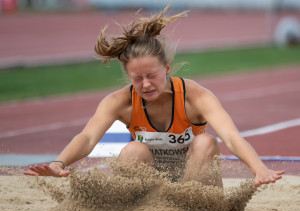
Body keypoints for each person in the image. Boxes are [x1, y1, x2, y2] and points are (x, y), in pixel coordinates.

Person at [23, 5, 285, 188]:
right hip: (149, 182)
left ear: (167, 68)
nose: (146, 84)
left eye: (152, 75)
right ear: (128, 76)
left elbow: (231, 137)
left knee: (207, 143)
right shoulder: (120, 102)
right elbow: (88, 137)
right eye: (137, 79)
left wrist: (258, 168)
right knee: (133, 149)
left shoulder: (194, 96)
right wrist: (59, 163)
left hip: (194, 181)